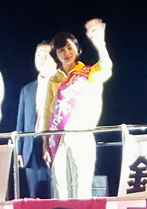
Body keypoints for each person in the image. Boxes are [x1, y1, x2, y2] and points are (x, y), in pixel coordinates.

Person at [42, 19, 112, 199]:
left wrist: (100, 44)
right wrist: (45, 142)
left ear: (78, 49)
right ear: (56, 54)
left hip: (82, 135)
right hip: (57, 138)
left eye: (69, 47)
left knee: (81, 190)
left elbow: (106, 67)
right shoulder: (53, 80)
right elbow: (48, 112)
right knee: (60, 189)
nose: (66, 53)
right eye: (61, 50)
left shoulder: (89, 73)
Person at [16, 42, 57, 198]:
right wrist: (19, 151)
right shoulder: (27, 89)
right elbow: (21, 122)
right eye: (38, 55)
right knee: (35, 197)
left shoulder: (62, 85)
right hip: (31, 147)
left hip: (54, 144)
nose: (41, 59)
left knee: (56, 194)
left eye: (46, 55)